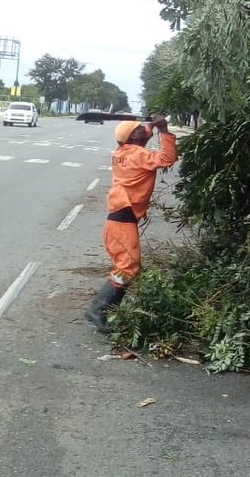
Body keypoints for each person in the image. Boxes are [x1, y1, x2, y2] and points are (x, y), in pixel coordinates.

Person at [85, 113, 178, 333]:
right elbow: (167, 158)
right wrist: (163, 130)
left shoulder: (123, 152)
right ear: (133, 137)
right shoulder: (137, 154)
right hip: (123, 220)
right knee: (127, 268)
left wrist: (150, 126)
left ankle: (105, 311)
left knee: (129, 268)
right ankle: (98, 310)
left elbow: (142, 139)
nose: (145, 128)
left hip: (119, 219)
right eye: (140, 128)